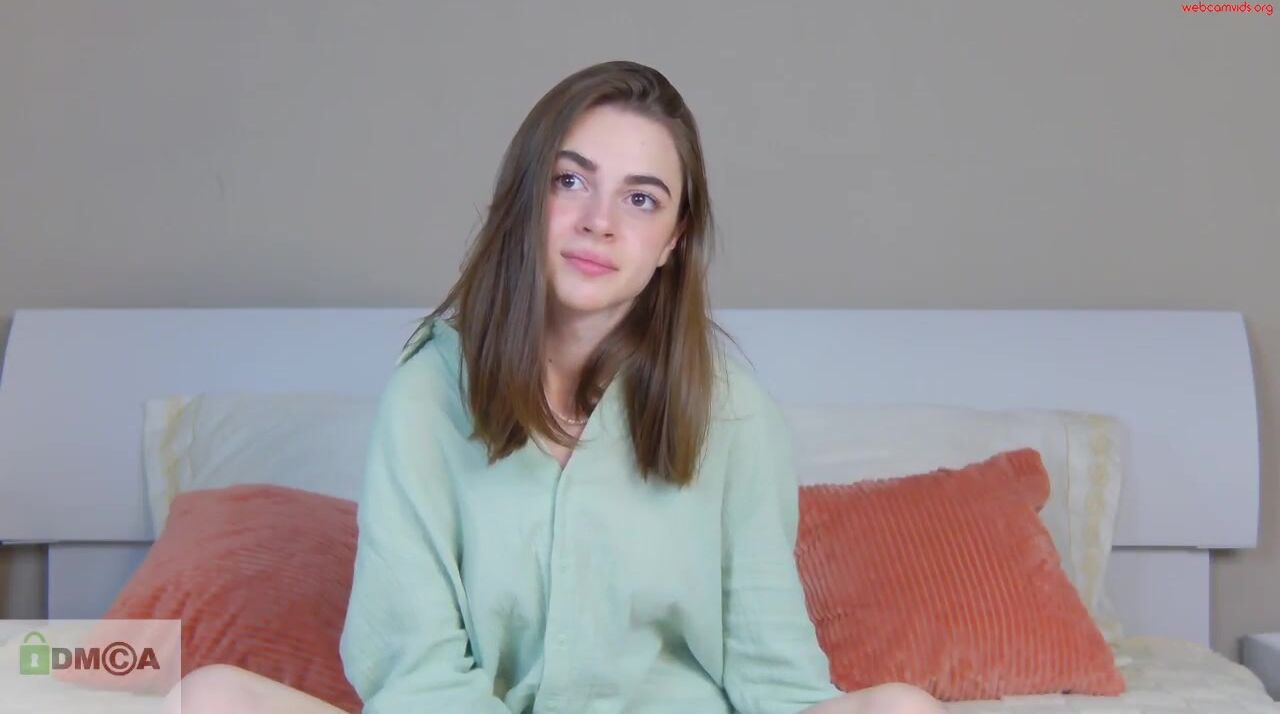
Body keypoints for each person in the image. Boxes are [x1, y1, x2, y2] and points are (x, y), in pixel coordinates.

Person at [169, 60, 943, 714]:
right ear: (525, 198)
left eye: (641, 199)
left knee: (901, 708)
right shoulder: (428, 394)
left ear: (672, 240)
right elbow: (415, 671)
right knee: (212, 696)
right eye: (571, 181)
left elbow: (773, 673)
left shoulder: (731, 411)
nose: (599, 222)